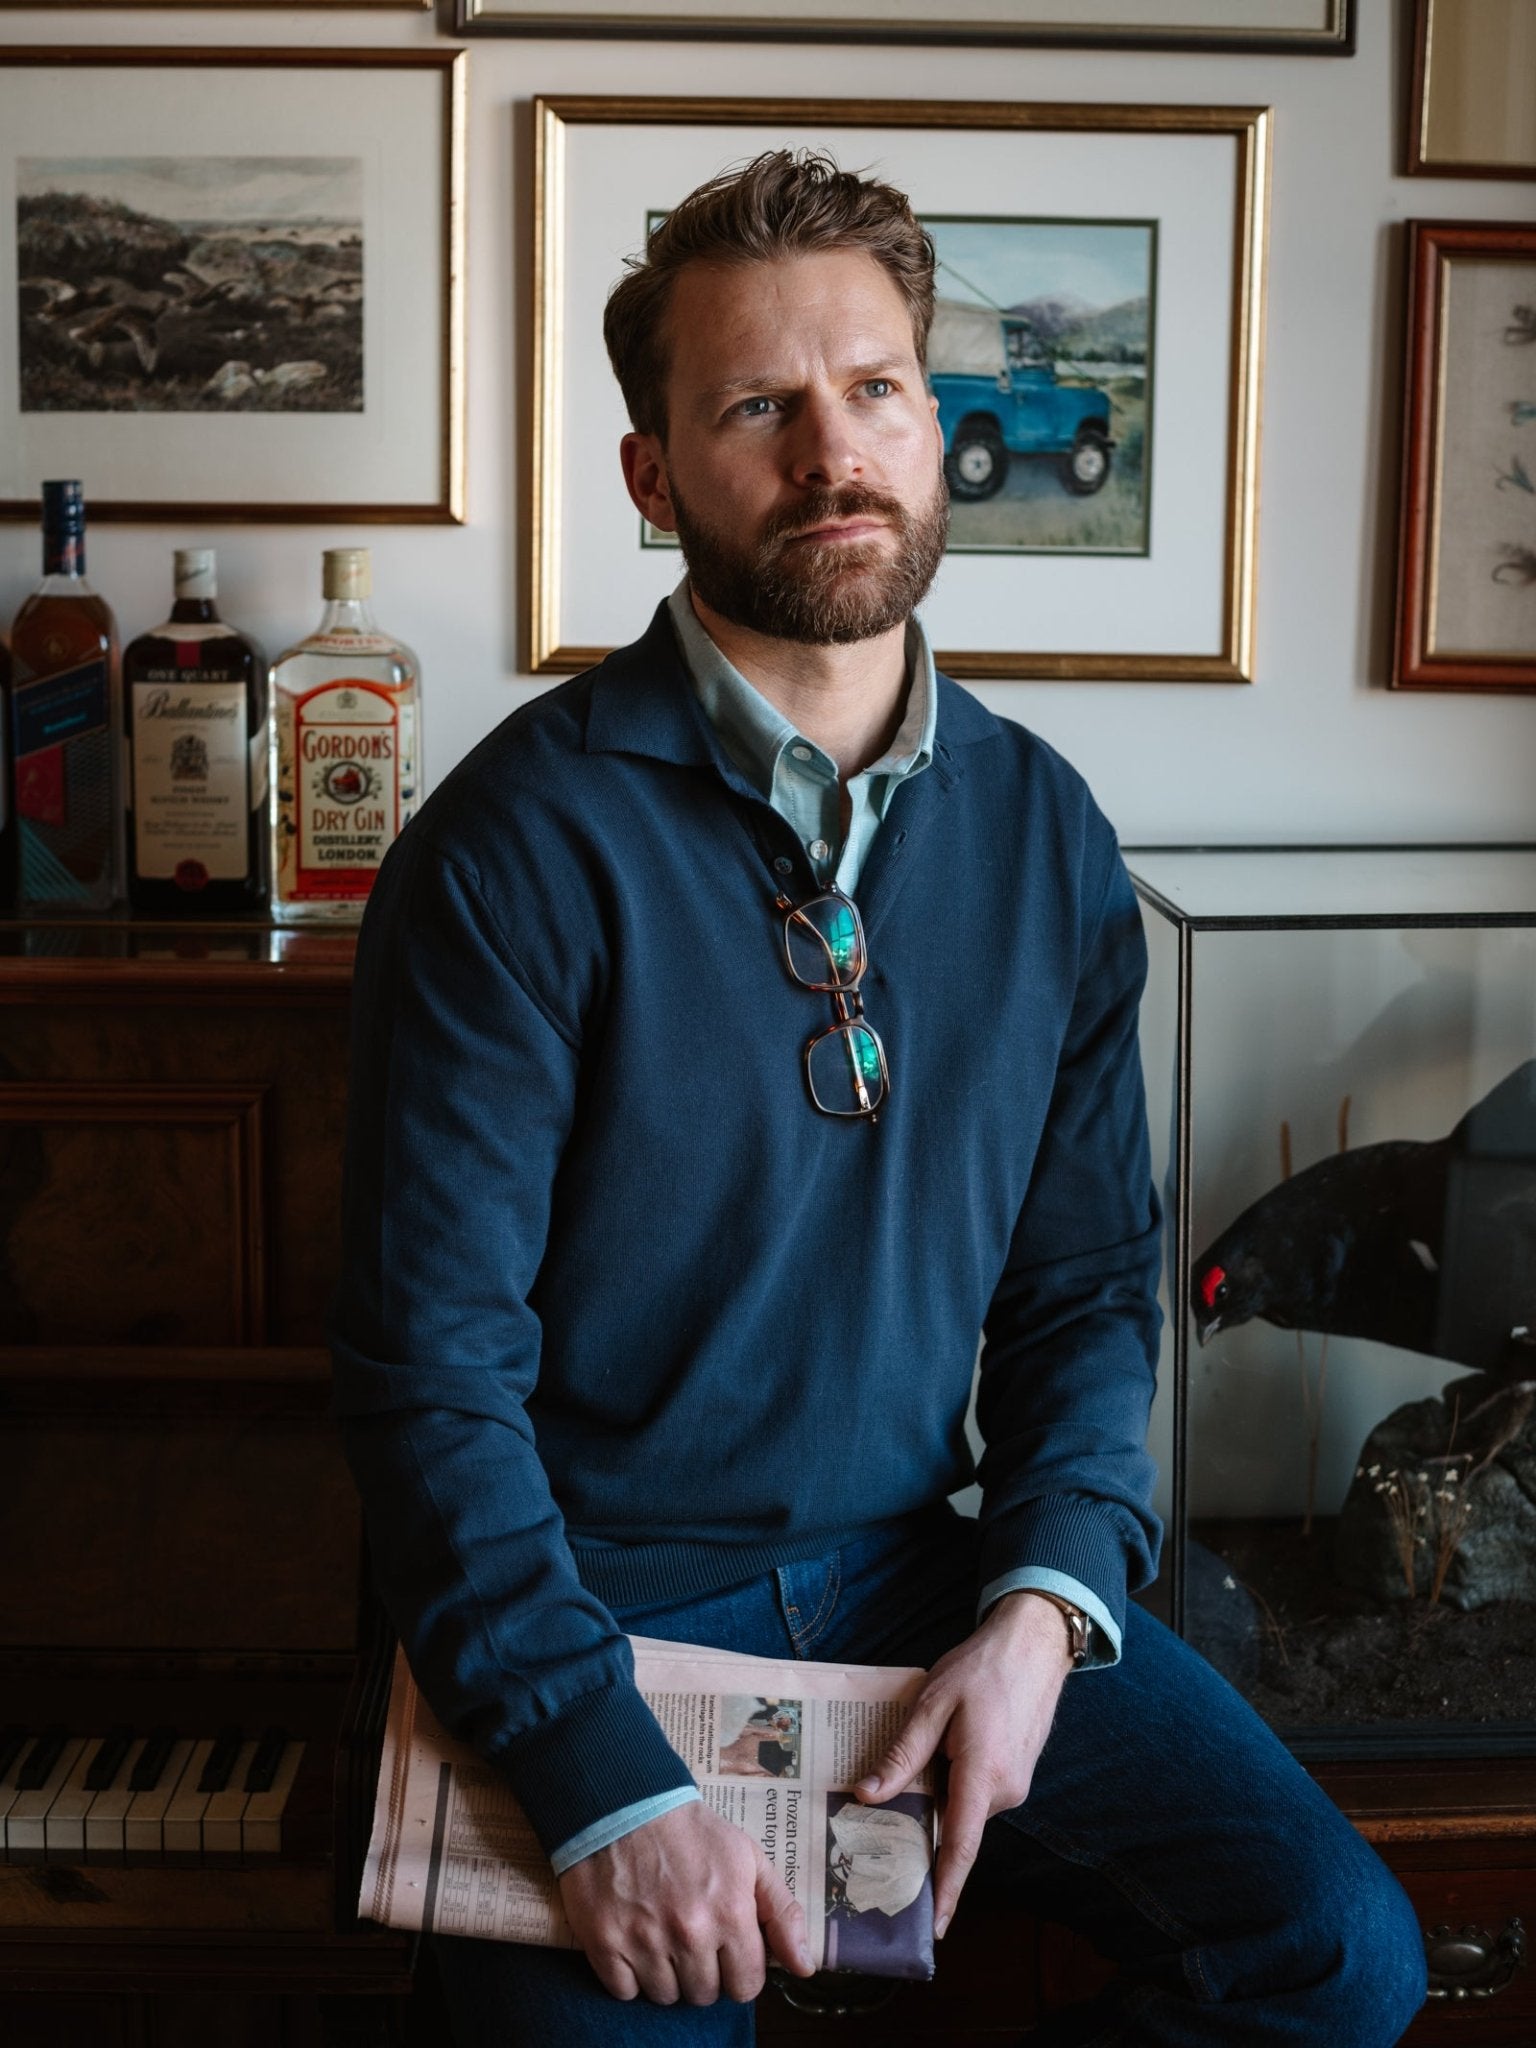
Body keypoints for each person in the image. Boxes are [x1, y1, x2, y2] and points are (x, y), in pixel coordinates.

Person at [331, 150, 1428, 2047]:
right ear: (655, 476)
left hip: (925, 1581)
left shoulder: (1048, 837)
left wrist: (1044, 1609)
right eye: (757, 404)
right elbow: (432, 1382)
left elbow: (1090, 1292)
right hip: (597, 1615)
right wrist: (596, 1781)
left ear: (933, 420)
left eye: (876, 388)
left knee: (1338, 1960)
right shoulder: (510, 850)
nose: (831, 452)